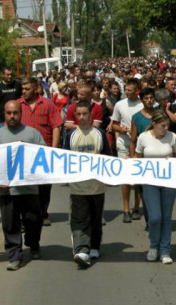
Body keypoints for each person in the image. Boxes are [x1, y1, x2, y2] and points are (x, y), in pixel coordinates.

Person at [0, 101, 45, 271]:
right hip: (7, 190)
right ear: (3, 114)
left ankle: (33, 243)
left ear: (21, 113)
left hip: (29, 189)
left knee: (33, 220)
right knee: (10, 224)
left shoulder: (32, 134)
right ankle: (14, 255)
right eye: (8, 113)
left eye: (15, 113)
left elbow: (43, 157)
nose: (12, 116)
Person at [65, 101, 111, 268]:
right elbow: (65, 159)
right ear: (75, 116)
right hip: (77, 187)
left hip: (97, 186)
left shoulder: (99, 134)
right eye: (79, 114)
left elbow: (108, 157)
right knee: (79, 218)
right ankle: (81, 249)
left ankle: (94, 246)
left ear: (91, 115)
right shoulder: (70, 136)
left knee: (95, 217)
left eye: (85, 114)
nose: (82, 117)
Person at [134, 110, 176, 264]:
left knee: (166, 217)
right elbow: (138, 158)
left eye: (167, 125)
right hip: (150, 182)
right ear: (154, 124)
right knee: (155, 217)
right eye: (162, 125)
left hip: (169, 182)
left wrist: (172, 160)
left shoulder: (172, 137)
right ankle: (154, 246)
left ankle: (165, 250)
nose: (166, 128)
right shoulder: (143, 137)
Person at [19, 77, 64, 227]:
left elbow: (56, 126)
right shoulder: (17, 105)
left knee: (44, 186)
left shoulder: (48, 105)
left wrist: (54, 149)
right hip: (24, 154)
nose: (24, 92)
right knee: (26, 186)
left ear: (36, 89)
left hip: (44, 152)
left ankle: (43, 213)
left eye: (27, 89)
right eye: (22, 89)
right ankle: (27, 217)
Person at [111, 78, 144, 223]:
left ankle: (137, 207)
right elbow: (114, 125)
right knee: (125, 177)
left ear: (137, 90)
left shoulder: (143, 104)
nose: (127, 92)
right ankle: (126, 209)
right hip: (124, 143)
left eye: (130, 90)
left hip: (140, 145)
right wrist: (122, 129)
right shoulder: (119, 105)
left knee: (137, 178)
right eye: (126, 89)